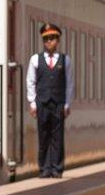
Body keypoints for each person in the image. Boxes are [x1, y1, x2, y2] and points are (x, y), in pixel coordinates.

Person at [26, 23, 74, 178]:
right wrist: (32, 103)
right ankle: (44, 168)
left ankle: (57, 168)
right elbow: (30, 82)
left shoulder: (65, 60)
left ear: (58, 40)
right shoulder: (35, 59)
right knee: (43, 136)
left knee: (57, 137)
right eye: (46, 38)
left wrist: (67, 103)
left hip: (58, 103)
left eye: (52, 38)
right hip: (42, 103)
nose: (49, 41)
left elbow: (69, 83)